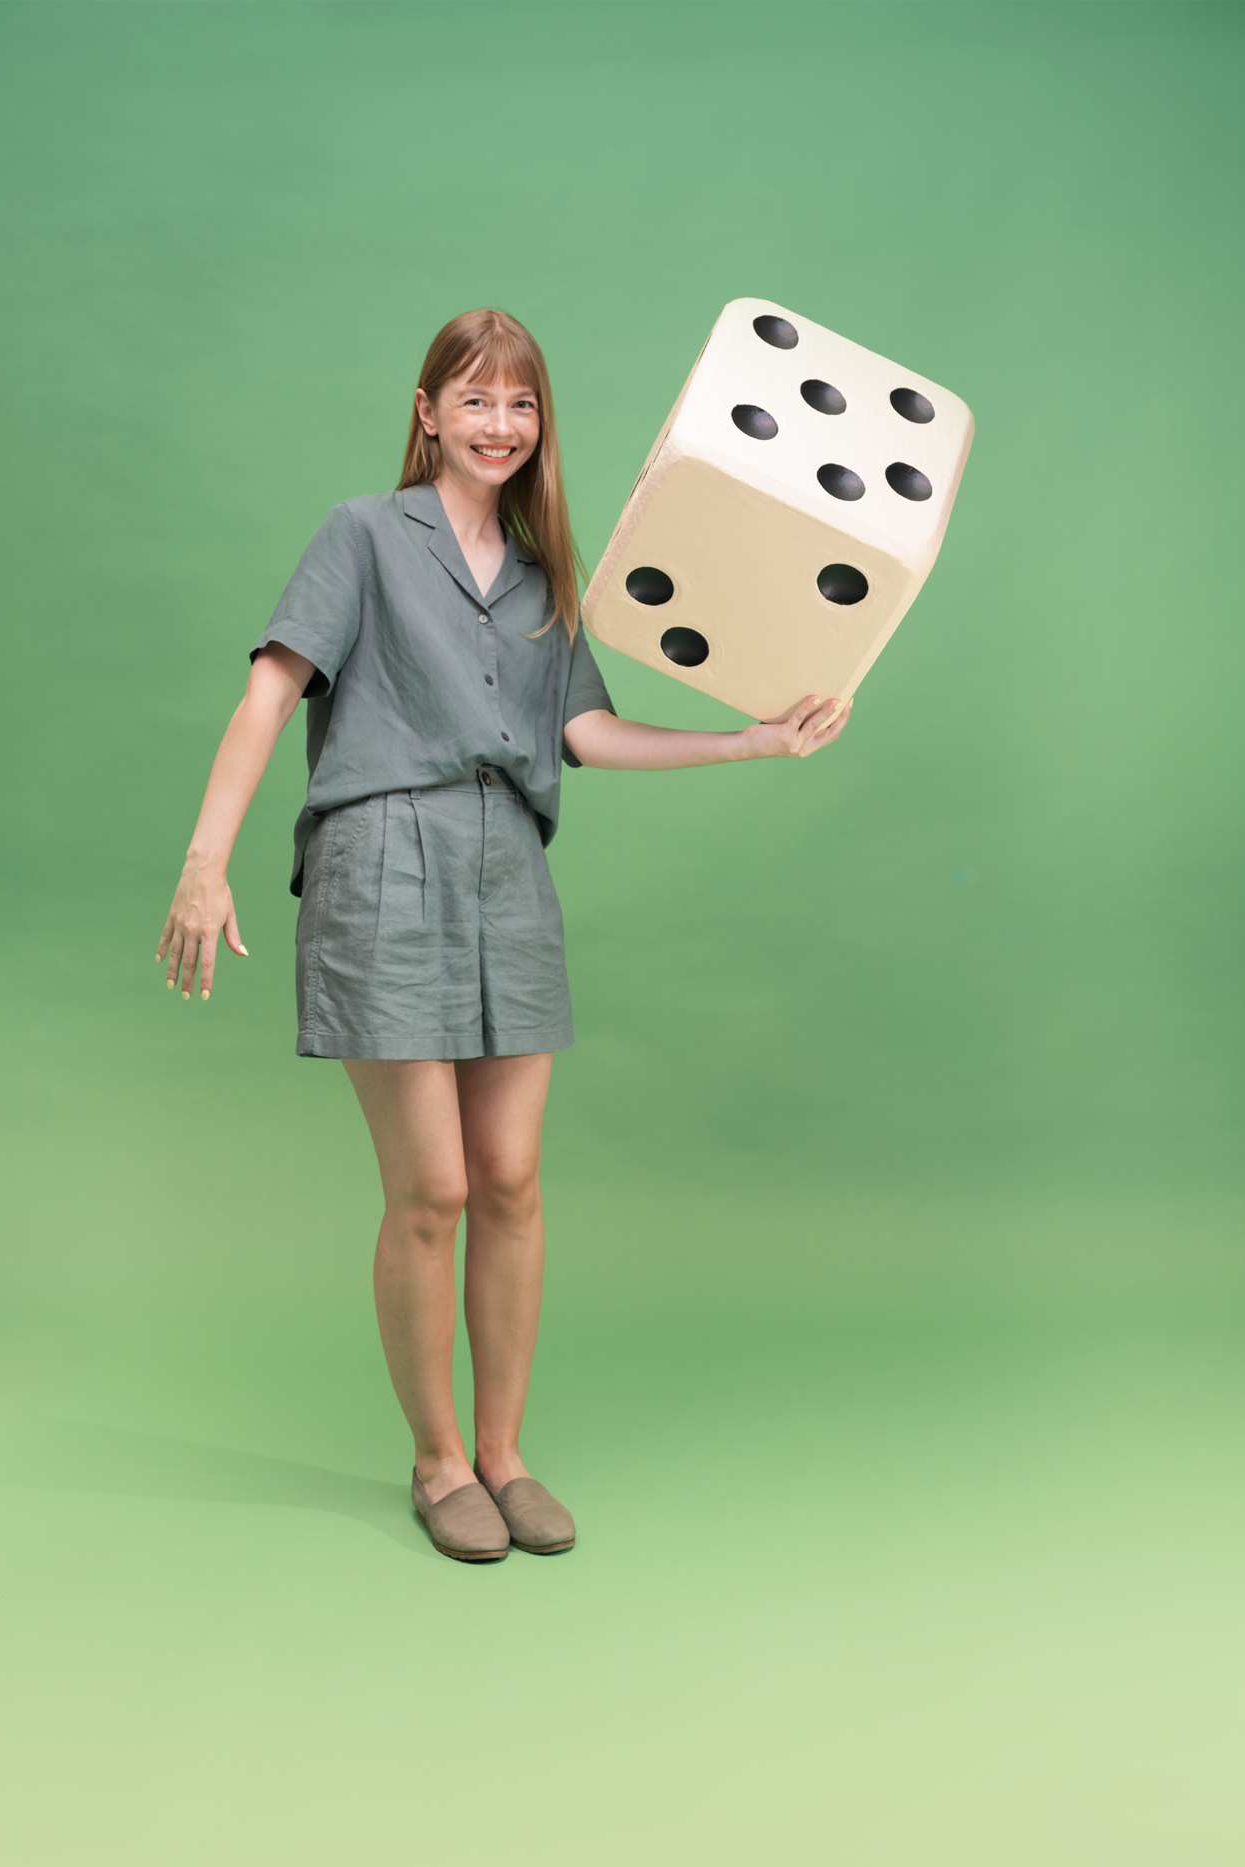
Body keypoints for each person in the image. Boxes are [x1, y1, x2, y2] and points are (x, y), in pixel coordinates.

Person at [156, 309, 850, 1562]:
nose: (498, 424)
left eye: (519, 403)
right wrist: (205, 863)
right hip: (383, 856)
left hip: (508, 869)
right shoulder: (362, 534)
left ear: (540, 425)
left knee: (513, 1184)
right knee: (432, 1188)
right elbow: (269, 691)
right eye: (473, 400)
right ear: (426, 411)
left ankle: (503, 1454)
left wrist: (749, 736)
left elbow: (582, 733)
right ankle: (434, 1464)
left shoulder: (545, 577)